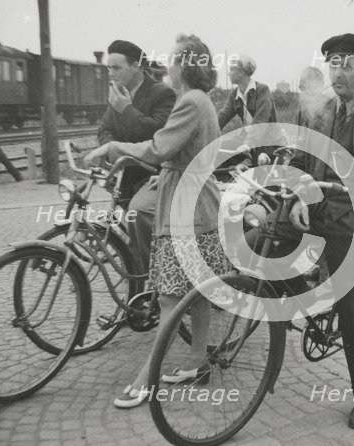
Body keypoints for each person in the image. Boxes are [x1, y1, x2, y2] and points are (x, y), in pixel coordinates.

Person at [244, 33, 354, 429]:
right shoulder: (321, 112)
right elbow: (305, 166)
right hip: (320, 209)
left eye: (347, 63)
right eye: (333, 63)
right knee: (257, 242)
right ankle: (300, 307)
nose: (337, 71)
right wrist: (293, 203)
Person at [85, 34, 229, 408]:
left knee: (168, 297)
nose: (167, 65)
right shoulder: (199, 100)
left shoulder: (190, 102)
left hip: (185, 210)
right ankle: (198, 363)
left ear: (187, 65)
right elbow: (179, 153)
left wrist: (114, 146)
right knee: (197, 293)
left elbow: (158, 146)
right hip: (199, 204)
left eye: (173, 59)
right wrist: (164, 170)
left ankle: (146, 380)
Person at [99, 40, 177, 274]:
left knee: (139, 217)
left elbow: (158, 135)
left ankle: (151, 280)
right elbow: (105, 129)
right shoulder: (118, 93)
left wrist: (126, 109)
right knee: (135, 232)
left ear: (136, 66)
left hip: (153, 174)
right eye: (108, 68)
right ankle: (138, 276)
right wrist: (111, 148)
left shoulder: (163, 93)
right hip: (125, 174)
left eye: (116, 68)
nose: (111, 74)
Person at [217, 55, 285, 168]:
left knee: (261, 170)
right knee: (219, 149)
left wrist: (247, 144)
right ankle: (220, 182)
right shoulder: (235, 94)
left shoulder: (262, 90)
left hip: (268, 140)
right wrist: (206, 135)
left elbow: (260, 122)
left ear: (241, 73)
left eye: (231, 69)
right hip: (247, 138)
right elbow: (222, 117)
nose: (228, 73)